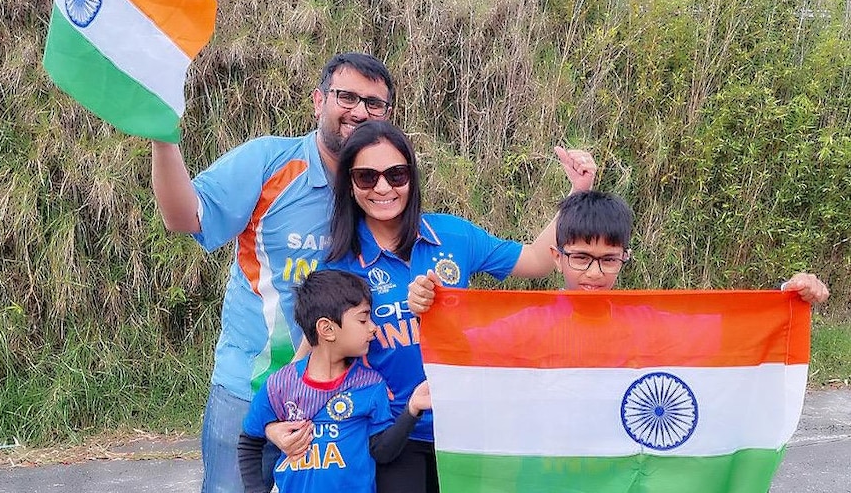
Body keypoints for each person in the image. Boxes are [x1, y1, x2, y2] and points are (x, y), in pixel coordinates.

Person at [267, 120, 597, 493]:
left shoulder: (453, 236)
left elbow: (536, 261)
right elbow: (308, 359)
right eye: (366, 177)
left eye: (396, 174)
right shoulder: (339, 265)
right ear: (349, 184)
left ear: (411, 177)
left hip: (467, 430)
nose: (382, 187)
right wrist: (273, 425)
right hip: (389, 435)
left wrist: (577, 192)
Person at [149, 52, 396, 493]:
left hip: (345, 401)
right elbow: (186, 216)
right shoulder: (269, 162)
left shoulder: (385, 191)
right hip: (251, 388)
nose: (359, 111)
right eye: (347, 96)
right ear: (319, 102)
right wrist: (163, 140)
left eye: (373, 103)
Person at [408, 189, 831, 307]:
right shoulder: (527, 320)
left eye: (609, 260)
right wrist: (431, 307)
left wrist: (785, 298)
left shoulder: (641, 316)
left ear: (625, 258)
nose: (594, 273)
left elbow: (719, 334)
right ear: (557, 258)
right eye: (581, 258)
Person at [238, 269, 431, 493]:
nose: (373, 328)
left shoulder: (370, 385)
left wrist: (412, 409)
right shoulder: (279, 386)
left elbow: (382, 452)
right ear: (327, 329)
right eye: (363, 319)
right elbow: (249, 443)